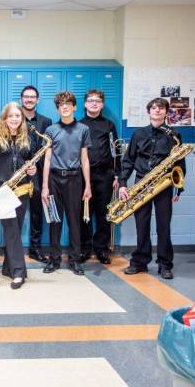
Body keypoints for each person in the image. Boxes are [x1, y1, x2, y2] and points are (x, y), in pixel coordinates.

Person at [119, 98, 185, 280]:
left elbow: (179, 163)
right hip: (142, 183)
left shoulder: (174, 135)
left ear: (166, 112)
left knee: (164, 226)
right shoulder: (138, 134)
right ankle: (140, 262)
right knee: (142, 226)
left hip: (164, 185)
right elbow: (128, 160)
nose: (157, 111)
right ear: (149, 111)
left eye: (161, 108)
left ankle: (165, 265)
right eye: (154, 108)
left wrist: (178, 189)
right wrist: (123, 183)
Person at [0, 103, 36, 289]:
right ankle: (19, 272)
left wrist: (32, 169)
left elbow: (30, 162)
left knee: (15, 230)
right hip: (2, 190)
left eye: (18, 116)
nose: (14, 119)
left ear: (22, 118)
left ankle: (8, 268)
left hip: (21, 189)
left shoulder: (27, 138)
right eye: (11, 116)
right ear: (4, 118)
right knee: (12, 230)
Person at [41, 91, 92, 276]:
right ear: (58, 108)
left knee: (74, 221)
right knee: (55, 220)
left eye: (68, 103)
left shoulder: (83, 129)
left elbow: (85, 159)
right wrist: (45, 186)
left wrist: (88, 185)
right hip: (54, 179)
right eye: (61, 104)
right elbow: (47, 159)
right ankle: (54, 260)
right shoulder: (51, 130)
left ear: (75, 107)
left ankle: (75, 259)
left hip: (74, 179)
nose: (65, 107)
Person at [80, 89, 120, 265]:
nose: (94, 103)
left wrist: (117, 175)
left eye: (97, 101)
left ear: (102, 104)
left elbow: (115, 150)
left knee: (103, 214)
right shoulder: (79, 125)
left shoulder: (109, 125)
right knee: (84, 213)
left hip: (105, 176)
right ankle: (85, 249)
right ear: (85, 104)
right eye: (91, 100)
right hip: (82, 177)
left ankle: (102, 249)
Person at [20, 85, 52, 263]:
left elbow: (48, 149)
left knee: (37, 212)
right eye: (26, 97)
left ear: (37, 100)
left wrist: (35, 165)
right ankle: (13, 248)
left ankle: (35, 248)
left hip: (38, 172)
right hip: (18, 171)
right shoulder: (16, 118)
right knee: (14, 210)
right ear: (21, 99)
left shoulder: (46, 121)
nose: (29, 99)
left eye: (32, 97)